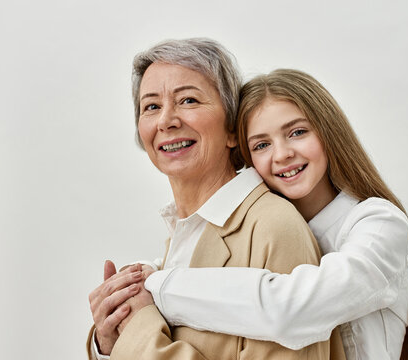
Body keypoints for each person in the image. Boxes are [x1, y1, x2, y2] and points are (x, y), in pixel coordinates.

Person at [127, 69, 408, 359]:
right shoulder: (264, 226)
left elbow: (292, 311)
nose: (282, 154)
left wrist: (158, 288)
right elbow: (185, 265)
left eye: (297, 132)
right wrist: (137, 280)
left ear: (329, 133)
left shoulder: (379, 224)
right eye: (261, 144)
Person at [87, 39, 344, 360]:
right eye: (151, 106)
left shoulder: (273, 227)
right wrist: (109, 344)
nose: (166, 120)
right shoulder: (181, 235)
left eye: (189, 100)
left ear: (233, 129)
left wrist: (138, 330)